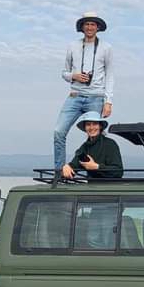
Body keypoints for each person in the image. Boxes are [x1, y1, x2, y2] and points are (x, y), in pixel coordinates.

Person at [53, 11, 114, 171]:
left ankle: (99, 170)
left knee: (96, 135)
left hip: (96, 97)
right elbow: (64, 73)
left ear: (98, 27)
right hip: (75, 96)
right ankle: (60, 171)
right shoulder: (72, 46)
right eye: (86, 24)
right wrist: (74, 76)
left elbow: (110, 76)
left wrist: (108, 101)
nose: (89, 27)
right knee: (58, 132)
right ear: (82, 27)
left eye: (92, 24)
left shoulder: (106, 48)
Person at [62, 112, 123, 180]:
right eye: (88, 124)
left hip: (110, 188)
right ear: (85, 128)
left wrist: (96, 167)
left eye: (95, 124)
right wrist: (67, 167)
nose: (91, 127)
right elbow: (74, 165)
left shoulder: (111, 144)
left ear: (100, 126)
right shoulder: (84, 147)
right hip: (91, 187)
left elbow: (118, 172)